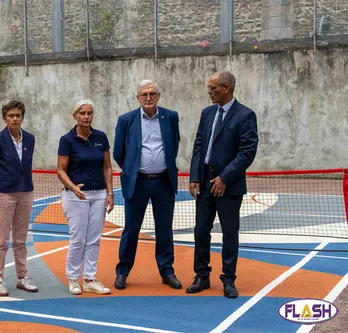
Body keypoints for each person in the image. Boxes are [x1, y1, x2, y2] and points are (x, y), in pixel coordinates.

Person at [187, 71, 259, 298]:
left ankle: (228, 279)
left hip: (229, 186)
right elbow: (199, 145)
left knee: (229, 233)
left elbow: (247, 152)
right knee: (201, 230)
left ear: (226, 88)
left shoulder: (245, 115)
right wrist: (195, 176)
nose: (209, 92)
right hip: (206, 183)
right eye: (209, 88)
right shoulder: (207, 113)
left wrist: (225, 178)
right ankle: (202, 275)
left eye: (213, 88)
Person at [113, 80, 181, 290]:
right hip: (138, 183)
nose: (148, 98)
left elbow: (174, 144)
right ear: (138, 98)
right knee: (131, 230)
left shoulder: (170, 117)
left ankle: (167, 271)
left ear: (159, 96)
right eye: (144, 94)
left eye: (152, 94)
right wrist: (133, 170)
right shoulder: (126, 120)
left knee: (164, 230)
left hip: (163, 182)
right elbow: (118, 152)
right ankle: (123, 271)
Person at [56, 100, 114, 295]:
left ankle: (89, 279)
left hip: (99, 194)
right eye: (82, 113)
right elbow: (60, 170)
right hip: (75, 196)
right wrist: (73, 187)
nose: (86, 116)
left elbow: (107, 166)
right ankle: (73, 278)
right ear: (75, 116)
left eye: (89, 113)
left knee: (94, 238)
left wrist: (110, 193)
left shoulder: (101, 137)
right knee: (78, 238)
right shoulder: (67, 140)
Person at [0, 99, 39, 296]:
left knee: (21, 240)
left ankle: (22, 277)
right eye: (11, 116)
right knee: (1, 240)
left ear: (22, 118)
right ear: (4, 118)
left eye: (18, 116)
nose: (15, 119)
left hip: (26, 193)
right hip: (4, 194)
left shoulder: (30, 139)